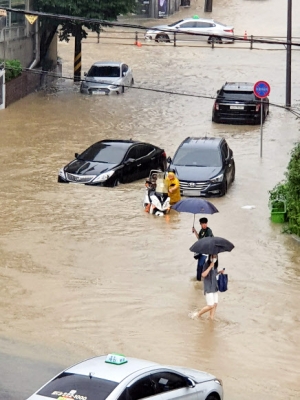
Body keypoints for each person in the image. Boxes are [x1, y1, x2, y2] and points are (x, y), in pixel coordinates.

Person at [192, 254, 225, 320]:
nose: (214, 258)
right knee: (210, 305)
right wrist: (210, 267)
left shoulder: (215, 265)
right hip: (208, 287)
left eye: (216, 256)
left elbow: (214, 274)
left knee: (215, 304)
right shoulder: (206, 264)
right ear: (210, 256)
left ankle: (211, 318)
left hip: (214, 287)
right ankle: (198, 314)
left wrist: (219, 272)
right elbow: (203, 275)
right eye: (213, 256)